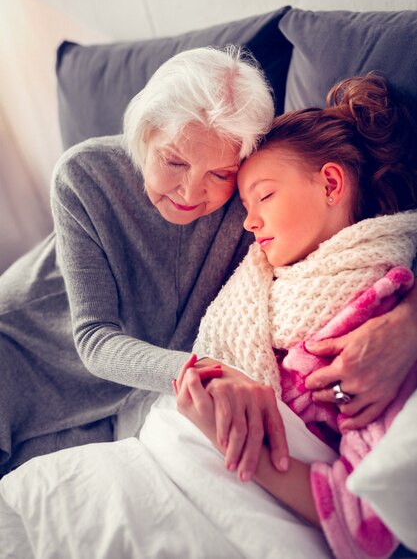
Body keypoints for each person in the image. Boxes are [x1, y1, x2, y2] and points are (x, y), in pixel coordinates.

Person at [0, 45, 415, 481]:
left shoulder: (254, 200)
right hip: (29, 348)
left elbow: (365, 234)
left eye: (219, 174)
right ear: (144, 135)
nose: (189, 192)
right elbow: (94, 338)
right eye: (173, 161)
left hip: (134, 396)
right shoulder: (83, 174)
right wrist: (208, 372)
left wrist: (408, 322)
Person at [176, 73, 417, 559]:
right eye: (246, 205)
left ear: (330, 183)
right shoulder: (264, 297)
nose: (248, 221)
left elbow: (366, 521)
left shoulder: (374, 320)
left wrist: (232, 439)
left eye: (263, 196)